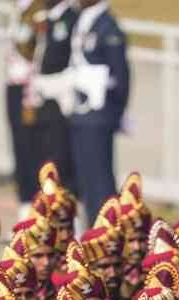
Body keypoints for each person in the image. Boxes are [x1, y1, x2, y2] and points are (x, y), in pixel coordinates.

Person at [9, 0, 79, 221]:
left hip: (45, 91)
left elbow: (31, 47)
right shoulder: (27, 9)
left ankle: (61, 216)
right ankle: (28, 208)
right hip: (26, 87)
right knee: (25, 151)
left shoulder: (46, 11)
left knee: (53, 157)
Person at [69, 0, 131, 224]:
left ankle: (106, 233)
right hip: (80, 113)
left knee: (100, 182)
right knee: (85, 181)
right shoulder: (83, 21)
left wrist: (115, 112)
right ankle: (92, 229)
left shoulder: (108, 27)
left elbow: (120, 76)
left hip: (98, 115)